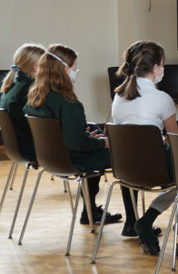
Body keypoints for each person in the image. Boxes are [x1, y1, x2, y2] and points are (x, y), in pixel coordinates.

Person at [112, 41, 178, 256]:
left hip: (124, 170)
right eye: (162, 65)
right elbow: (176, 141)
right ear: (156, 68)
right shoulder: (162, 99)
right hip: (156, 172)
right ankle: (174, 225)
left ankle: (137, 222)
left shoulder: (118, 96)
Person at [24, 45, 122, 225]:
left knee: (93, 130)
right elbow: (78, 144)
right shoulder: (68, 102)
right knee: (123, 153)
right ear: (64, 68)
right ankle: (133, 222)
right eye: (75, 66)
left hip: (51, 158)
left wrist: (85, 136)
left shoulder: (35, 95)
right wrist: (103, 144)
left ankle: (90, 211)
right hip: (72, 159)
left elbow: (60, 132)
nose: (77, 70)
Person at [0, 43, 46, 162]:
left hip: (17, 148)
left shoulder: (10, 87)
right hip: (35, 149)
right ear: (37, 67)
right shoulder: (31, 90)